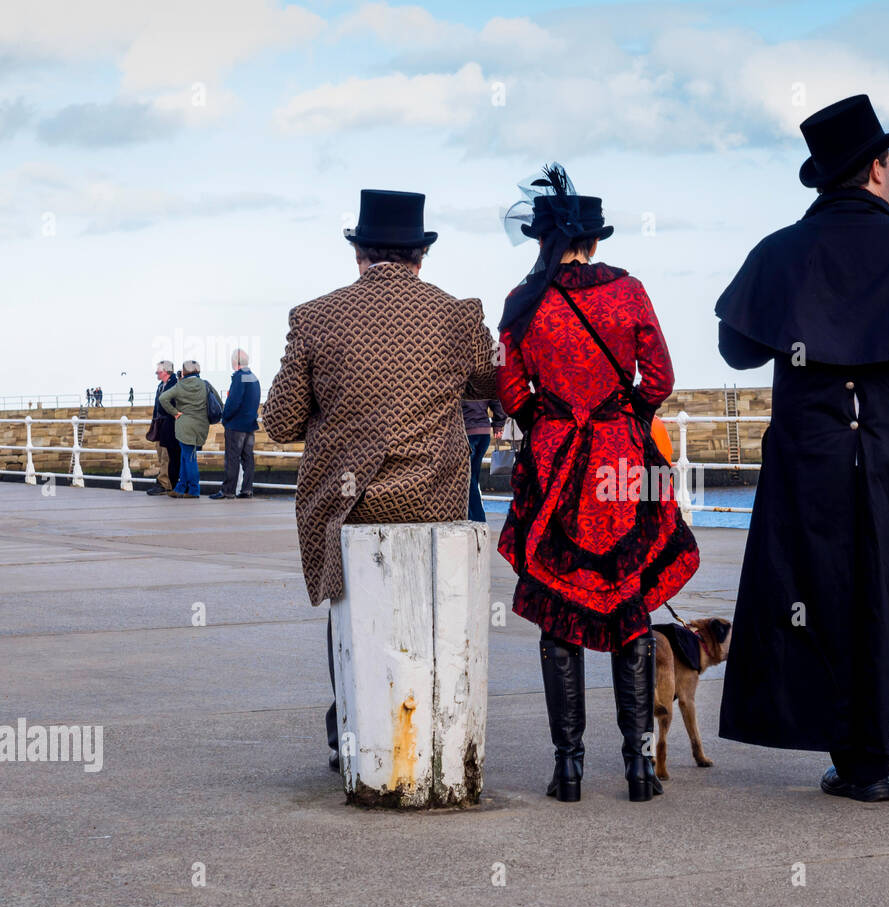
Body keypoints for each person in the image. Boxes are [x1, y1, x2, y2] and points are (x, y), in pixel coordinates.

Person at [713, 94, 889, 802]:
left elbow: (736, 347)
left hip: (818, 454)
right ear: (875, 170)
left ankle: (864, 765)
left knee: (827, 597)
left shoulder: (780, 253)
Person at [261, 189, 497, 771]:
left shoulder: (314, 317)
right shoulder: (456, 313)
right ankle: (431, 733)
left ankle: (349, 722)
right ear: (420, 257)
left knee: (346, 609)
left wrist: (336, 408)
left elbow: (279, 422)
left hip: (350, 505)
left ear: (359, 254)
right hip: (433, 500)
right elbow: (494, 386)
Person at [496, 165, 700, 803]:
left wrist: (549, 422)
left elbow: (509, 389)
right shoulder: (628, 291)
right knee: (628, 603)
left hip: (556, 463)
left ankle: (569, 769)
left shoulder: (523, 300)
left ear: (545, 240)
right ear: (593, 239)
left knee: (561, 610)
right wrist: (623, 418)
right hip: (618, 461)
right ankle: (640, 770)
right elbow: (659, 376)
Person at [157, 361, 213, 498]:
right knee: (185, 457)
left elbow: (163, 398)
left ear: (184, 372)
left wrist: (174, 412)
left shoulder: (180, 385)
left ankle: (194, 489)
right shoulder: (205, 384)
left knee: (189, 458)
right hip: (201, 425)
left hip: (184, 426)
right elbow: (217, 401)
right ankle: (180, 488)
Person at [210, 349, 261, 500]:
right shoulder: (254, 377)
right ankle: (247, 489)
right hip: (250, 424)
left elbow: (234, 402)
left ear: (235, 362)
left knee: (232, 458)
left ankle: (228, 490)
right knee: (248, 458)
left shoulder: (239, 377)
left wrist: (225, 417)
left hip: (237, 425)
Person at [463, 398, 506, 521]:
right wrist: (498, 423)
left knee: (468, 479)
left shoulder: (459, 381)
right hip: (484, 434)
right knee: (473, 478)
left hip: (468, 433)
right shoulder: (483, 381)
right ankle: (470, 516)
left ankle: (478, 518)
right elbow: (496, 401)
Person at [145, 361, 180, 496]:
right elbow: (157, 407)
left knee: (167, 455)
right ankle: (164, 481)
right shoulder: (161, 386)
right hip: (159, 424)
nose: (156, 374)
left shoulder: (174, 385)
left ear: (166, 371)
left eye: (158, 372)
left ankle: (165, 483)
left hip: (169, 425)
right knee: (161, 454)